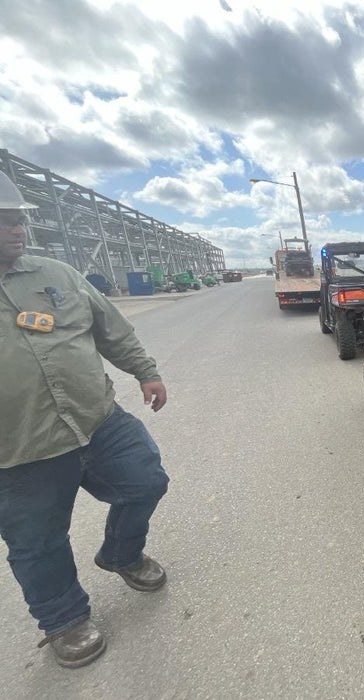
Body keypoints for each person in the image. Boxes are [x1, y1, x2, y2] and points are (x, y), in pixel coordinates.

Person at [0, 171, 170, 668]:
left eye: (20, 220)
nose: (20, 230)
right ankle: (65, 621)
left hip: (99, 422)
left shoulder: (57, 275)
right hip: (19, 451)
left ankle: (120, 554)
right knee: (37, 542)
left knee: (146, 482)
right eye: (5, 221)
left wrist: (146, 372)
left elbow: (110, 330)